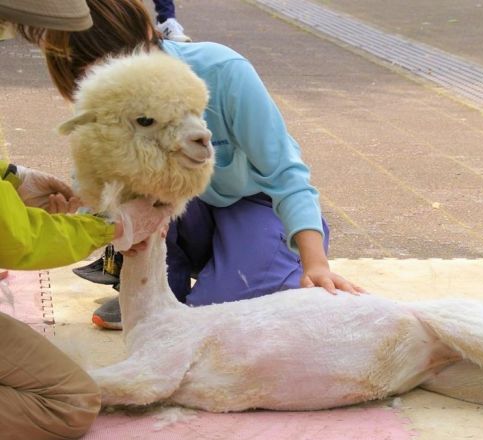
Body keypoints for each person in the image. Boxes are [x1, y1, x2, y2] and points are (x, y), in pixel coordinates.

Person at [36, 0, 364, 330]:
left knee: (212, 321)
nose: (107, 84)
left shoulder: (222, 70)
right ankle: (161, 292)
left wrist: (316, 264)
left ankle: (254, 271)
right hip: (185, 211)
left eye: (114, 66)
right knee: (166, 311)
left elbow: (285, 172)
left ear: (148, 34)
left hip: (257, 205)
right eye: (87, 80)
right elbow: (99, 179)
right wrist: (80, 209)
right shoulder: (105, 96)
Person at [0, 1, 173, 437]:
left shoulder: (220, 72)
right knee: (69, 401)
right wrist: (112, 226)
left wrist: (11, 179)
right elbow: (17, 241)